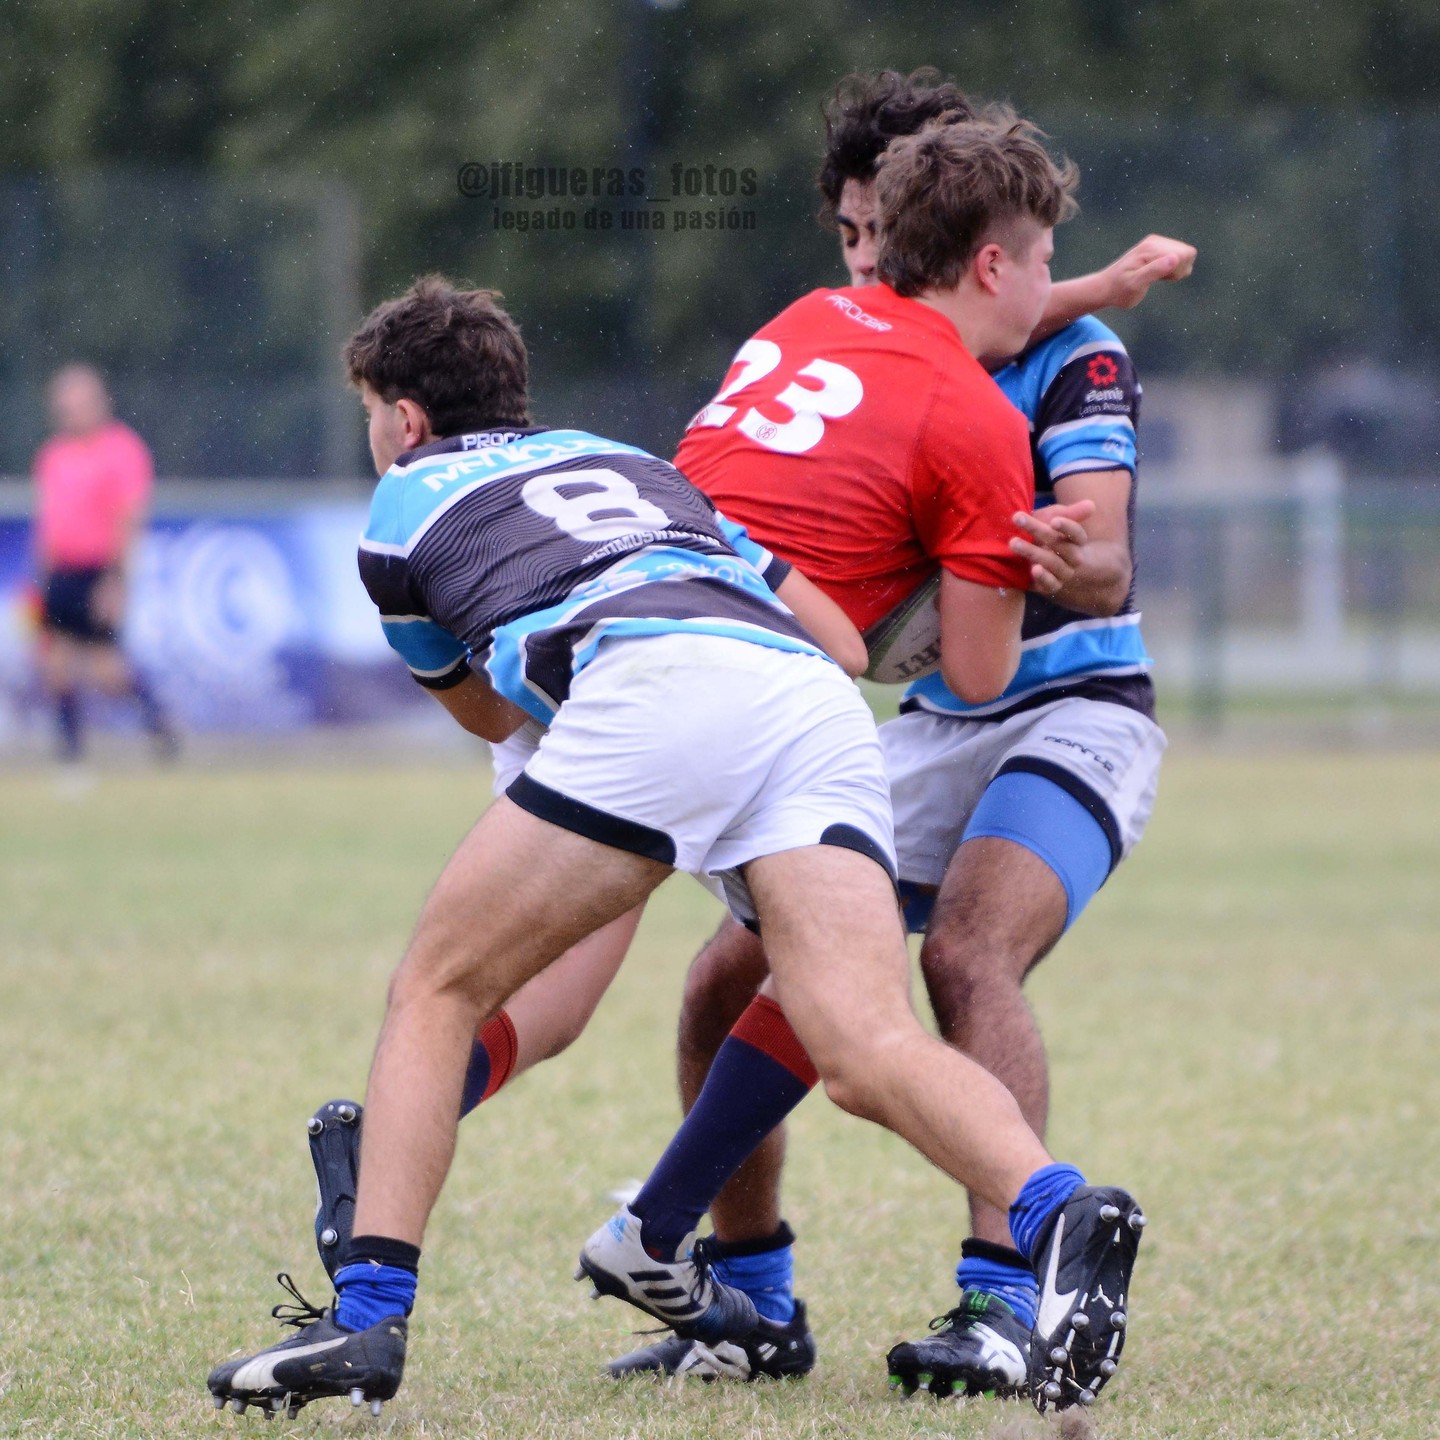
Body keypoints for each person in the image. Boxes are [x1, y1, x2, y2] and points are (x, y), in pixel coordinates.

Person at [206, 119, 1142, 1423]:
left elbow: (491, 714)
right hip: (808, 701)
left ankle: (365, 1318)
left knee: (440, 984)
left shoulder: (401, 512)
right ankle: (1059, 1207)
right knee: (863, 1040)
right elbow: (836, 637)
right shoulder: (628, 461)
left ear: (404, 422)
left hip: (650, 697)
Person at [601, 72, 1179, 1405]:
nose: (865, 261)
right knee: (729, 981)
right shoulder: (862, 341)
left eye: (883, 234)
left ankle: (1007, 1304)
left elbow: (1104, 563)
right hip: (934, 720)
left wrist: (1051, 560)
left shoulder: (1071, 356)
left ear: (948, 242)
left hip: (1077, 706)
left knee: (968, 952)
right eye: (851, 236)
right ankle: (750, 1301)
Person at [30, 364, 176, 763]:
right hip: (61, 572)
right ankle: (71, 754)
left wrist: (117, 580)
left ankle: (159, 724)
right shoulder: (53, 455)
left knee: (106, 670)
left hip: (99, 571)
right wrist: (40, 577)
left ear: (98, 403)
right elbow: (48, 521)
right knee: (56, 664)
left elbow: (129, 520)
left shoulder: (122, 450)